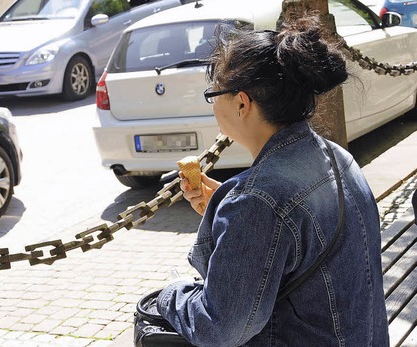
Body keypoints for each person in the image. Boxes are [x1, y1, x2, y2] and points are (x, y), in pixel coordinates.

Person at [156, 15, 389, 346]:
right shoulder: (336, 156)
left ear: (241, 102)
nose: (212, 104)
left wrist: (170, 292)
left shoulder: (257, 201)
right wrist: (226, 205)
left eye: (213, 94)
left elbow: (221, 326)